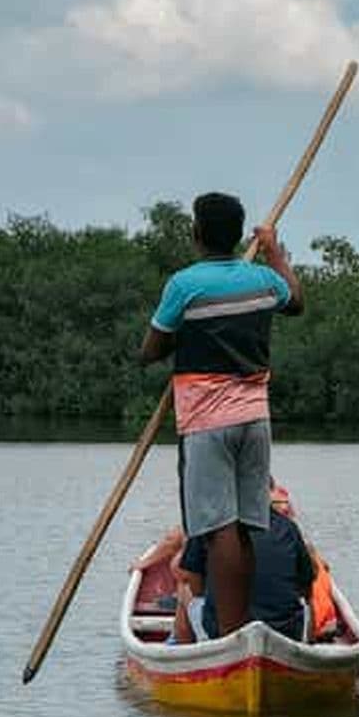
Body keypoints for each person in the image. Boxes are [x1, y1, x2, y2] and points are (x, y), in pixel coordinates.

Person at [140, 192, 304, 636]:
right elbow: (296, 300)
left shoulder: (184, 285)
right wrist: (274, 252)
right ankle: (240, 628)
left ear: (196, 234)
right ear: (237, 235)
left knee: (218, 530)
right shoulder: (263, 279)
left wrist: (187, 333)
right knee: (247, 525)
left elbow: (150, 350)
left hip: (207, 423)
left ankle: (232, 636)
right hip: (255, 420)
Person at [180, 499, 315, 642]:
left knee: (185, 590)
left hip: (223, 632)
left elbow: (195, 586)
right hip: (286, 631)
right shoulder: (288, 528)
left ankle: (182, 647)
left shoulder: (209, 524)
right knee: (306, 603)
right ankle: (307, 644)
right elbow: (305, 587)